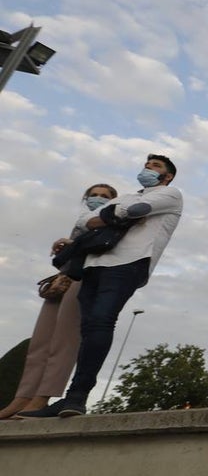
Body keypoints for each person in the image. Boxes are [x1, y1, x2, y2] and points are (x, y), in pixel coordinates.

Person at [19, 155, 182, 419]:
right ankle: (72, 399)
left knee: (102, 321)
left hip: (129, 263)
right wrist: (115, 216)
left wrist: (113, 216)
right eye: (146, 165)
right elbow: (85, 221)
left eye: (155, 166)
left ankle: (77, 396)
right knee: (88, 328)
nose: (148, 169)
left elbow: (133, 211)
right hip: (94, 265)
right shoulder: (127, 196)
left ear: (168, 175)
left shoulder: (171, 194)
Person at [1, 183, 118, 420]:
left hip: (85, 278)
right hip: (63, 279)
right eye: (93, 195)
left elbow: (103, 246)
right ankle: (21, 398)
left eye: (104, 196)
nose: (98, 198)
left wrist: (75, 245)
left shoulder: (111, 220)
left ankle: (41, 398)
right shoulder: (82, 222)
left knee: (63, 342)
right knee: (39, 343)